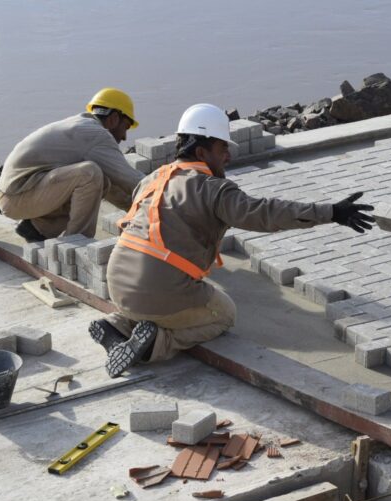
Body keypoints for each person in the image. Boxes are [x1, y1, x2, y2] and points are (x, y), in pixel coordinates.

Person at [89, 103, 375, 378]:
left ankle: (116, 326)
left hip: (117, 283)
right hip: (159, 290)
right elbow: (265, 212)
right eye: (222, 148)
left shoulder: (151, 178)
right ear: (201, 151)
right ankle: (156, 345)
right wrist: (331, 212)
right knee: (224, 312)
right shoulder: (213, 189)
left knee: (154, 301)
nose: (227, 156)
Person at [0, 88, 145, 241]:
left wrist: (137, 210)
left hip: (17, 193)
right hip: (17, 197)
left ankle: (37, 228)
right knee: (90, 173)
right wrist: (160, 192)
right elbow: (132, 180)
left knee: (102, 180)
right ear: (114, 119)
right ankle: (78, 245)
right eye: (125, 127)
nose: (125, 136)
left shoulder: (81, 125)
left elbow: (115, 184)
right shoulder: (96, 135)